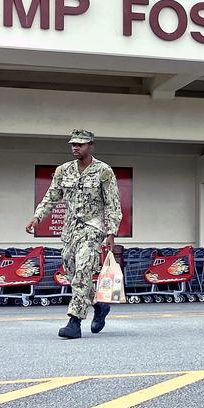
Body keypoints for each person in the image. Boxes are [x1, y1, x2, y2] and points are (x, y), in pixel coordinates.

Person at [25, 129, 122, 339]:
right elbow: (51, 197)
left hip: (92, 228)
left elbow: (113, 205)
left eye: (80, 144)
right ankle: (99, 306)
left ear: (90, 146)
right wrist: (37, 217)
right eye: (73, 144)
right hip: (70, 230)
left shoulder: (103, 171)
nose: (75, 147)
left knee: (83, 271)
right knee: (71, 271)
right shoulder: (63, 171)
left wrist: (111, 232)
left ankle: (74, 321)